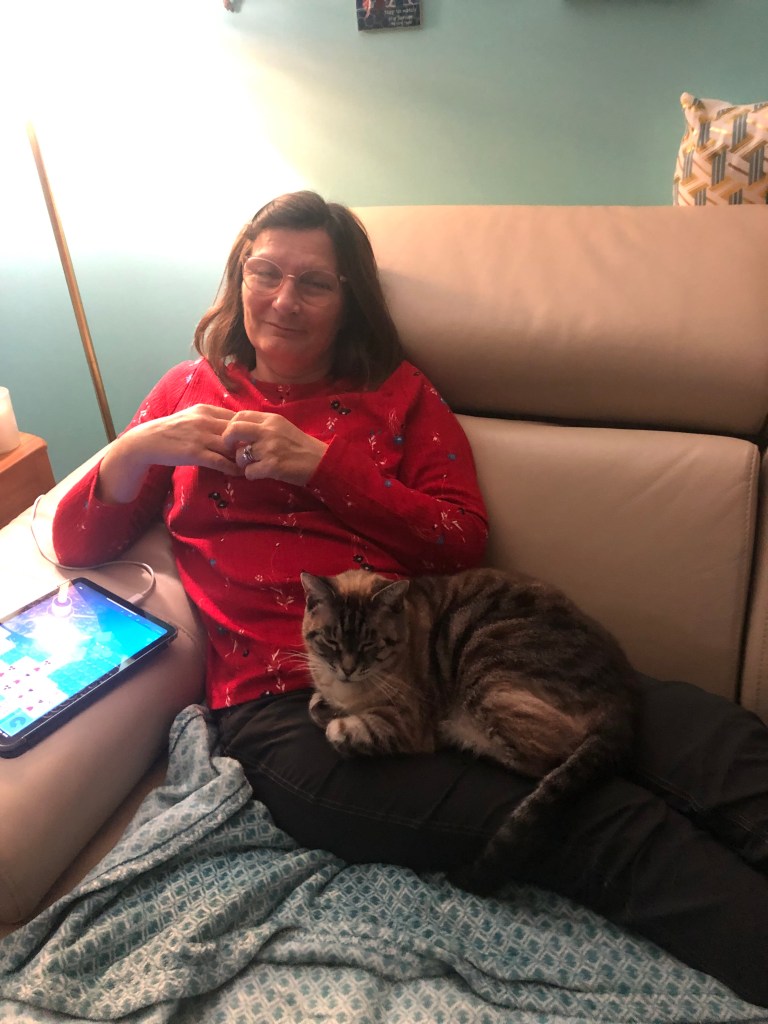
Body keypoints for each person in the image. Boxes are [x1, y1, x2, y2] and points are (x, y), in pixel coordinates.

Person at [52, 191, 768, 1007]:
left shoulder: (396, 394)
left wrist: (323, 467)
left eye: (314, 283)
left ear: (350, 299)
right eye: (265, 272)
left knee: (711, 738)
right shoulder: (187, 391)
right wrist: (134, 450)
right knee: (605, 824)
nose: (283, 300)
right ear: (238, 275)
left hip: (438, 653)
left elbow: (460, 539)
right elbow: (76, 542)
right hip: (292, 706)